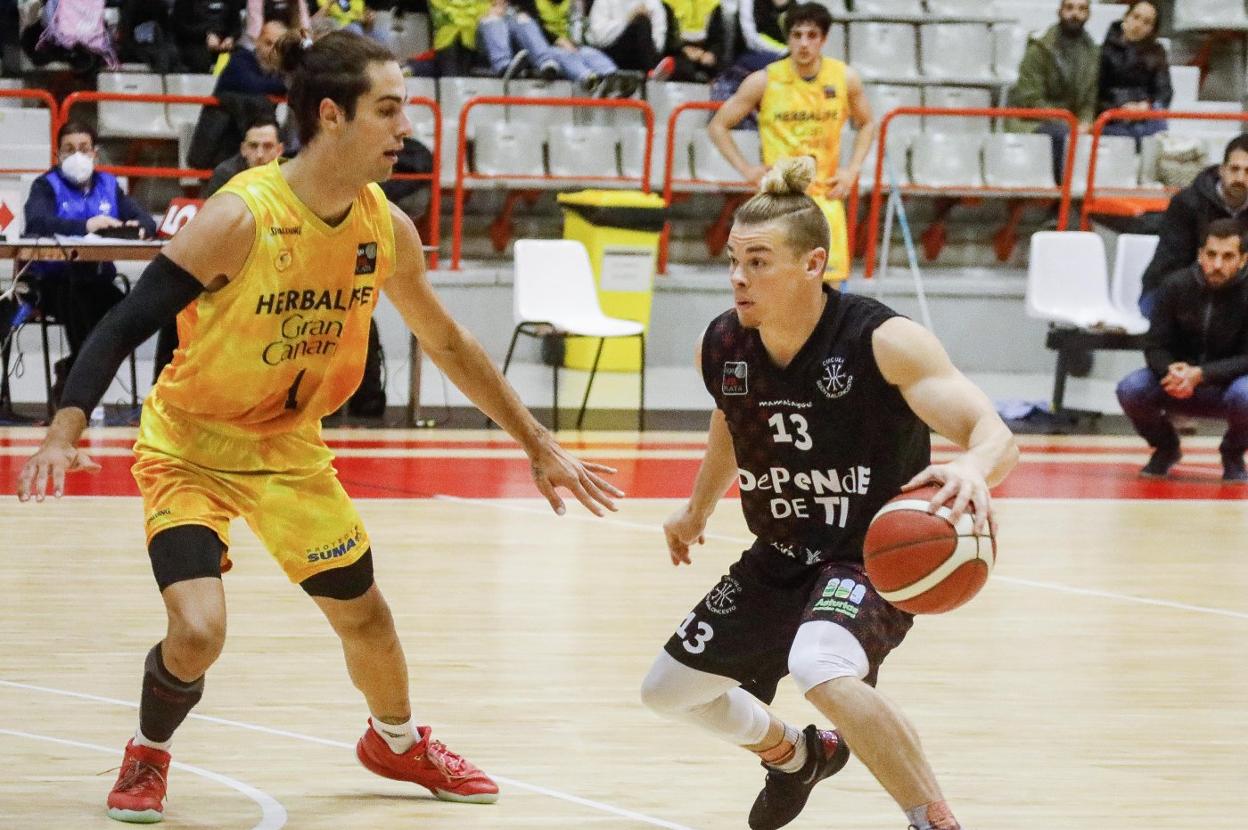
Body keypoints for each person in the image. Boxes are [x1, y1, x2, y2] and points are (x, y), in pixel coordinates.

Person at [16, 30, 623, 824]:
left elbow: (448, 341)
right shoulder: (241, 216)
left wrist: (537, 443)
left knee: (366, 616)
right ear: (332, 116)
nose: (406, 127)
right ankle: (148, 752)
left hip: (290, 450)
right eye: (389, 109)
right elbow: (125, 322)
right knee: (198, 632)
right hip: (191, 447)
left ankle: (396, 740)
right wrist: (65, 430)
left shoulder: (385, 228)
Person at [639, 157, 1017, 830]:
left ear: (813, 264)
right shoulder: (725, 343)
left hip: (867, 555)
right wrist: (696, 509)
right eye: (733, 260)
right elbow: (731, 418)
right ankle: (796, 756)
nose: (738, 277)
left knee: (818, 663)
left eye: (759, 262)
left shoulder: (883, 340)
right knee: (669, 692)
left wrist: (972, 469)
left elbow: (993, 432)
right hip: (780, 551)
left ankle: (932, 818)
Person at [707, 2, 874, 286]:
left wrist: (852, 170)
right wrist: (747, 169)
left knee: (830, 293)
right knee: (778, 289)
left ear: (824, 39)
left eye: (811, 36)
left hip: (825, 198)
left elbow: (867, 123)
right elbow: (718, 126)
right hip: (780, 200)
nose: (804, 44)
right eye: (797, 35)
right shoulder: (764, 80)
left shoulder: (844, 78)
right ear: (788, 38)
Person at [23, 121, 158, 403]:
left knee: (133, 315)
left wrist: (139, 227)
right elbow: (37, 222)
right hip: (52, 283)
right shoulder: (45, 185)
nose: (77, 156)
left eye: (83, 149)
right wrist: (87, 225)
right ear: (57, 155)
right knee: (79, 302)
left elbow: (145, 220)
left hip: (99, 279)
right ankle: (80, 396)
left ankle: (72, 369)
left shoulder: (110, 185)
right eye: (69, 150)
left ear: (95, 153)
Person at [1116, 219, 1248, 483]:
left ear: (1243, 260)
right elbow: (1154, 344)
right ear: (1200, 254)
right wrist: (1171, 371)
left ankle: (1232, 454)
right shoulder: (1174, 286)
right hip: (1176, 382)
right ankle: (1166, 448)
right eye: (1211, 255)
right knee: (1131, 389)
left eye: (1228, 256)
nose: (1217, 265)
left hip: (1228, 386)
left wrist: (1202, 374)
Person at [1137, 135, 1248, 316]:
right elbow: (1172, 268)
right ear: (1222, 170)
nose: (1240, 178)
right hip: (1169, 291)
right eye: (1235, 169)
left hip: (1234, 296)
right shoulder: (1187, 203)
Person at [1006, 0, 1099, 184]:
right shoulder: (1039, 49)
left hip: (1071, 123)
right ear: (1059, 11)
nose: (1075, 14)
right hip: (1031, 121)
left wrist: (1086, 122)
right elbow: (1030, 99)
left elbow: (1090, 98)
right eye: (1070, 8)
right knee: (1061, 136)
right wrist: (1069, 123)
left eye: (1082, 9)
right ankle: (1057, 201)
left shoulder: (1093, 53)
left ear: (1089, 15)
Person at [1097, 0, 1170, 149]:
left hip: (1145, 116)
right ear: (1126, 17)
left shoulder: (1156, 53)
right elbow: (1095, 94)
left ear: (1152, 29)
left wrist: (1146, 106)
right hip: (1113, 117)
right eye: (1136, 17)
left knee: (1157, 121)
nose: (1139, 25)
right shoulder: (1104, 51)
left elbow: (1164, 91)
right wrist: (1120, 109)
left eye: (1147, 22)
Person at [584, 0, 677, 79]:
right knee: (641, 21)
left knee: (685, 67)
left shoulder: (653, 3)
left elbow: (659, 43)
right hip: (611, 50)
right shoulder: (604, 2)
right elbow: (599, 37)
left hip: (643, 53)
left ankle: (654, 70)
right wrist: (628, 20)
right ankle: (653, 70)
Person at [203, 116, 285, 198]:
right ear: (243, 149)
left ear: (279, 150)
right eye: (253, 146)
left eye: (268, 146)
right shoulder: (226, 174)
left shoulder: (290, 174)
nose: (260, 154)